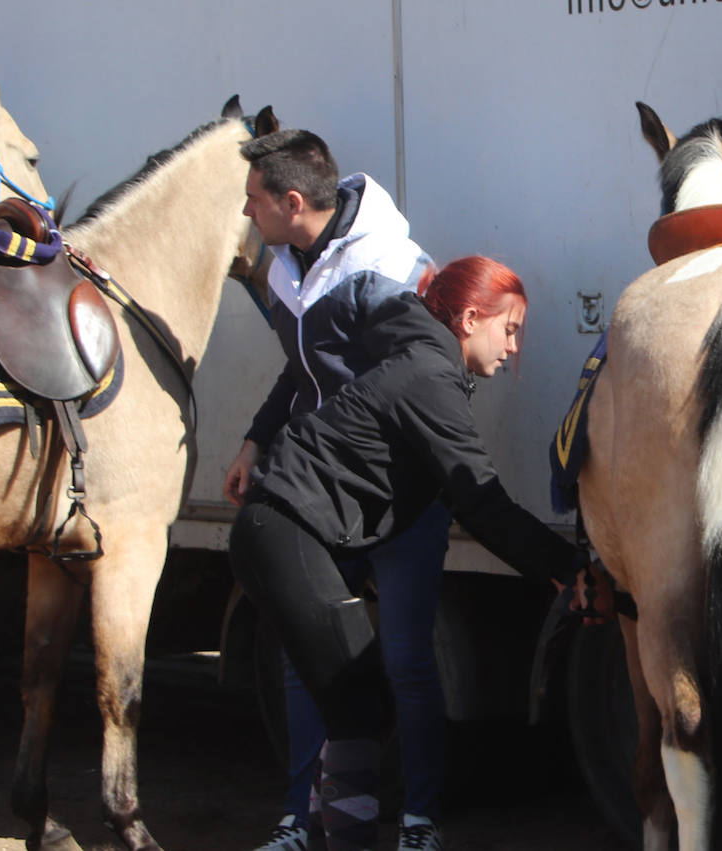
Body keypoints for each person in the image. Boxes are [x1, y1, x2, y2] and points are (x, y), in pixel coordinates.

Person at [230, 256, 585, 851]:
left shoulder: (423, 359)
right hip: (283, 530)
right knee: (359, 697)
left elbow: (353, 303)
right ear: (472, 318)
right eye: (511, 329)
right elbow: (482, 503)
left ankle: (329, 835)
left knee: (354, 703)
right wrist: (567, 565)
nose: (515, 348)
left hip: (280, 531)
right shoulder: (430, 376)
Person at [224, 129, 450, 851]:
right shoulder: (284, 264)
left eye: (254, 198)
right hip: (322, 498)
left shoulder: (391, 265)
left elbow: (426, 380)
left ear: (293, 202)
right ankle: (302, 816)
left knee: (407, 659)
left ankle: (418, 819)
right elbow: (303, 370)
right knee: (306, 655)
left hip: (399, 492)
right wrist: (258, 436)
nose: (245, 209)